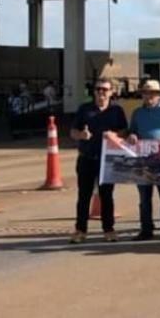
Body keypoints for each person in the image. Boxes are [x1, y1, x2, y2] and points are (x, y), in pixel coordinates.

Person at [69, 77, 129, 244]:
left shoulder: (116, 110)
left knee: (107, 196)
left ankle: (108, 230)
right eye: (98, 89)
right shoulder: (84, 109)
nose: (101, 92)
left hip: (108, 160)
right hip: (87, 158)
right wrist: (81, 135)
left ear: (111, 92)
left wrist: (114, 135)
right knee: (84, 196)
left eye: (105, 89)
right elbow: (73, 132)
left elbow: (124, 131)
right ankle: (80, 230)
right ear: (94, 91)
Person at [127, 80, 160, 241]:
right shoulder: (137, 113)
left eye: (152, 93)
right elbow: (132, 131)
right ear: (142, 95)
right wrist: (132, 136)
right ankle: (146, 229)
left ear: (158, 95)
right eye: (146, 93)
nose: (149, 96)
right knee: (144, 198)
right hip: (143, 159)